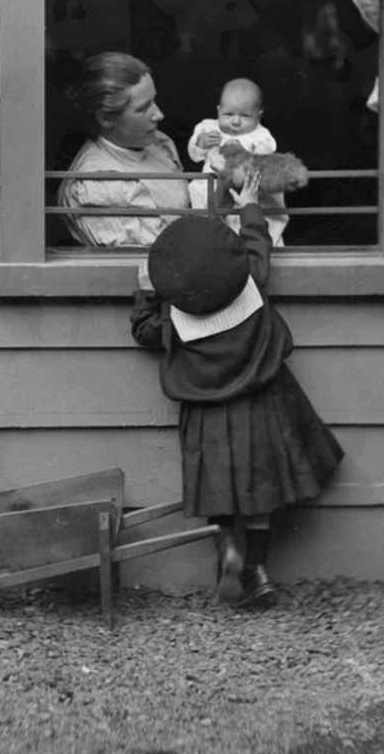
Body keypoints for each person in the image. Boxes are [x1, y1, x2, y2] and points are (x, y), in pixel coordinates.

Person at [130, 170, 344, 608]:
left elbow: (143, 330)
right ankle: (259, 571)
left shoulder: (175, 320)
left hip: (207, 418)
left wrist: (146, 293)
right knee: (260, 490)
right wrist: (249, 206)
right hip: (260, 408)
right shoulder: (249, 287)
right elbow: (256, 250)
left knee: (221, 491)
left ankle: (229, 550)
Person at [58, 52, 190, 247]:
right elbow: (163, 252)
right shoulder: (97, 185)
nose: (159, 114)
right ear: (106, 118)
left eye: (154, 100)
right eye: (143, 108)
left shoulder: (158, 142)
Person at [187, 78, 289, 247]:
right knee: (208, 227)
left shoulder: (260, 135)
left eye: (245, 116)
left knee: (241, 227)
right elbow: (194, 156)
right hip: (211, 189)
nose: (235, 121)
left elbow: (264, 156)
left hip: (241, 193)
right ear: (218, 110)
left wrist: (243, 152)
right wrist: (201, 142)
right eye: (228, 114)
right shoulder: (208, 127)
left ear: (259, 115)